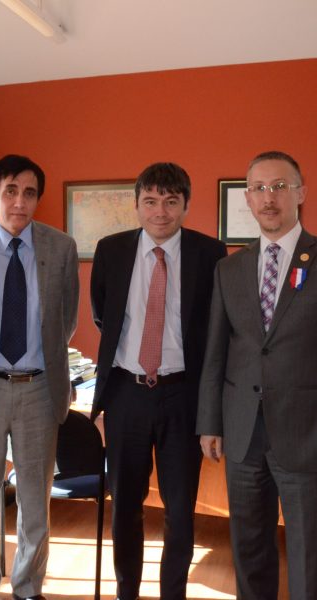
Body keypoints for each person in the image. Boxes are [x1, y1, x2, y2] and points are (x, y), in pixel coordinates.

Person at [91, 162, 226, 600]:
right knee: (125, 506)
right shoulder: (111, 250)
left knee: (180, 511)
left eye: (171, 201)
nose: (160, 212)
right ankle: (126, 592)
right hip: (126, 394)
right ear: (136, 205)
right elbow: (103, 315)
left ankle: (173, 594)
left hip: (183, 395)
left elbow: (216, 330)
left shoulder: (210, 254)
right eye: (150, 201)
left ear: (186, 205)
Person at [0, 154, 79, 600]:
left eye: (29, 193)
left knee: (35, 500)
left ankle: (27, 585)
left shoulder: (61, 248)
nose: (19, 202)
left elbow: (65, 319)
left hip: (39, 388)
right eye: (10, 192)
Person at [197, 151, 317, 599]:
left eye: (280, 187)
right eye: (260, 188)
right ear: (247, 198)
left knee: (308, 554)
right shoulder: (229, 269)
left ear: (300, 193)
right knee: (249, 549)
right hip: (243, 431)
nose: (270, 198)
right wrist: (210, 422)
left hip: (306, 433)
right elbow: (216, 352)